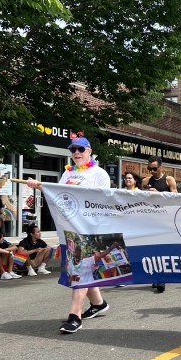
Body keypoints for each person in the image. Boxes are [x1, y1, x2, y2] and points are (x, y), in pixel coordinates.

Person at [26, 136, 111, 334]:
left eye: (80, 149)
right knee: (83, 269)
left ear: (89, 151)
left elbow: (103, 202)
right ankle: (98, 304)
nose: (76, 153)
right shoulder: (68, 174)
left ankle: (75, 316)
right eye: (73, 150)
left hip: (90, 229)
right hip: (70, 229)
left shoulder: (99, 173)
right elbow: (59, 194)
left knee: (80, 269)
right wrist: (38, 186)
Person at [142, 156, 176, 293]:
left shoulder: (169, 179)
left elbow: (175, 195)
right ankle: (156, 276)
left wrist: (159, 194)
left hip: (165, 218)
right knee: (152, 249)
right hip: (150, 219)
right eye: (149, 169)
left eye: (154, 168)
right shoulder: (145, 180)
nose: (152, 171)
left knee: (162, 249)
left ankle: (161, 278)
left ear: (161, 167)